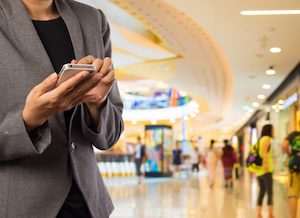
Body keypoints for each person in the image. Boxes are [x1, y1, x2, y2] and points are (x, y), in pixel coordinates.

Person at [0, 1, 124, 218]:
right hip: (18, 208)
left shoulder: (93, 19)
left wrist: (98, 104)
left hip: (88, 206)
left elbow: (110, 135)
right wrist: (29, 119)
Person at [256, 124, 274, 218]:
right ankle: (270, 214)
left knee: (262, 191)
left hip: (259, 171)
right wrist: (266, 164)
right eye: (272, 129)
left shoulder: (260, 139)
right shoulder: (267, 139)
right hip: (266, 170)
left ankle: (259, 213)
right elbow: (264, 152)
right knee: (270, 192)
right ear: (269, 130)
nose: (273, 131)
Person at [281, 130, 300, 218]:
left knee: (293, 194)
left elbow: (284, 145)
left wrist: (289, 155)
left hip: (295, 168)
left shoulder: (294, 134)